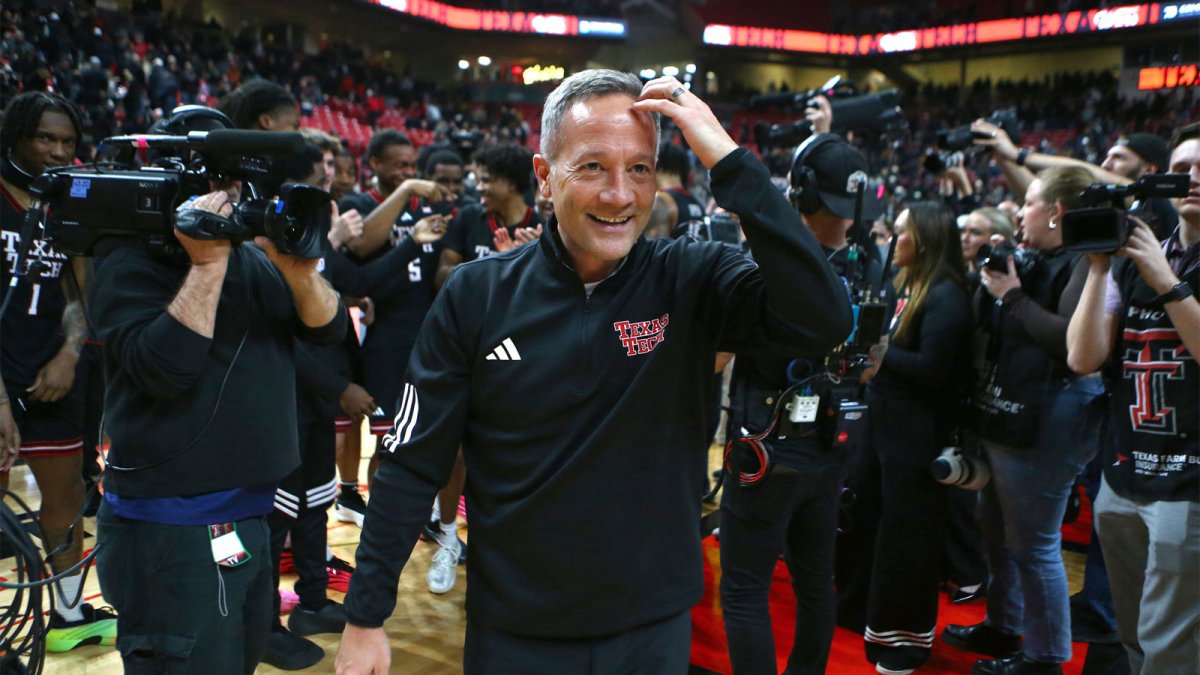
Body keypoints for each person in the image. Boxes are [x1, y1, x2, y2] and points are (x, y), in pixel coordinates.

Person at [335, 70, 852, 674]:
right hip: (516, 633)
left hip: (652, 630)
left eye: (639, 169)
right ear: (544, 178)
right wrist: (366, 615)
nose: (619, 194)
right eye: (591, 167)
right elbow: (412, 461)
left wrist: (729, 158)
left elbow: (825, 319)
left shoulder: (692, 278)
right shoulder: (478, 295)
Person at [90, 123, 347, 672]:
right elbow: (162, 370)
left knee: (235, 660)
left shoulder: (252, 257)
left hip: (247, 514)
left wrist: (299, 270)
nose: (227, 196)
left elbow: (328, 331)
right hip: (170, 526)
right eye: (213, 181)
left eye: (232, 182)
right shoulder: (130, 259)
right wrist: (206, 265)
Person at [719, 132, 881, 675]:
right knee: (815, 583)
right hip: (831, 449)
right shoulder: (868, 263)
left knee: (744, 590)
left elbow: (715, 359)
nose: (845, 222)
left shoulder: (769, 261)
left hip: (768, 453)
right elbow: (873, 361)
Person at [943, 166, 1101, 675]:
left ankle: (1045, 658)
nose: (1017, 210)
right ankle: (1003, 626)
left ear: (1056, 212)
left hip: (1052, 414)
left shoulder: (1086, 261)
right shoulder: (1034, 256)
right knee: (997, 532)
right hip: (1009, 406)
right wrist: (998, 279)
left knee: (1034, 544)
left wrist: (1012, 293)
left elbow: (1068, 343)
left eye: (1027, 202)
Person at [1065, 136, 1199, 675]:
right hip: (1122, 474)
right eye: (1181, 167)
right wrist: (1099, 268)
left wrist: (1165, 281)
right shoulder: (1138, 258)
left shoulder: (1158, 266)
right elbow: (1082, 355)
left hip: (1189, 483)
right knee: (1134, 635)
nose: (1192, 176)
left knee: (1171, 644)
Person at [0, 91, 115, 653]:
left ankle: (68, 612)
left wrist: (71, 351)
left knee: (66, 494)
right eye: (45, 137)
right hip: (1, 377)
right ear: (17, 136)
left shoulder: (71, 203)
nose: (57, 150)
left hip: (53, 375)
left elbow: (84, 292)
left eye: (68, 141)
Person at [857, 203, 974, 675]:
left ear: (921, 239)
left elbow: (936, 372)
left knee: (908, 538)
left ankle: (906, 640)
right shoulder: (909, 286)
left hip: (918, 436)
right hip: (887, 425)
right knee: (873, 522)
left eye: (901, 231)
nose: (893, 239)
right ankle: (869, 620)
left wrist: (881, 358)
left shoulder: (947, 296)